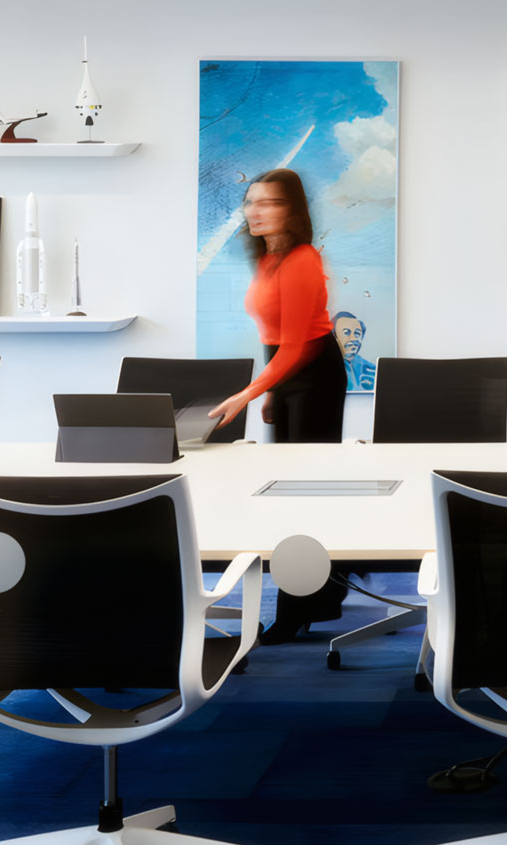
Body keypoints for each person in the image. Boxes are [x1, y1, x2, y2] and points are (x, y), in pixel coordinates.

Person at [208, 168, 347, 639]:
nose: (256, 210)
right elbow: (276, 336)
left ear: (293, 211)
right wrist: (271, 390)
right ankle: (322, 592)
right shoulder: (269, 258)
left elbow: (296, 346)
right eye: (251, 201)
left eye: (269, 202)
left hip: (315, 377)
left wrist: (248, 393)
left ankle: (301, 608)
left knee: (304, 493)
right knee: (288, 490)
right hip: (288, 375)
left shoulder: (303, 259)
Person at [333, 310, 375, 392]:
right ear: (334, 337)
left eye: (357, 333)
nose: (354, 338)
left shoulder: (369, 368)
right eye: (346, 332)